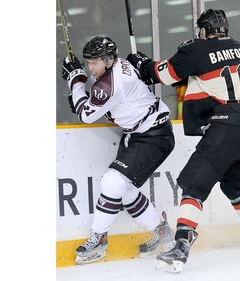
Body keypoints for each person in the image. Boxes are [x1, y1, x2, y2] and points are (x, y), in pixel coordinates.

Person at [127, 9, 240, 273]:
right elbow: (204, 75)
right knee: (235, 187)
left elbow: (163, 75)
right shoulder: (239, 47)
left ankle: (181, 246)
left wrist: (140, 63)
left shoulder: (197, 49)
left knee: (193, 188)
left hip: (226, 129)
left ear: (203, 30)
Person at [61, 36, 175, 265]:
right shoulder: (118, 67)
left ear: (109, 60)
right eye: (88, 62)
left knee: (112, 183)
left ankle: (99, 238)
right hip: (140, 133)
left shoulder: (109, 85)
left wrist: (76, 82)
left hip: (153, 136)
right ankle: (161, 232)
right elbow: (94, 105)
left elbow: (85, 114)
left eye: (94, 63)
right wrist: (83, 95)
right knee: (123, 190)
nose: (90, 67)